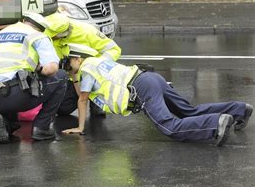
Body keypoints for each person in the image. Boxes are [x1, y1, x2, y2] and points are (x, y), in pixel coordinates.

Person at [62, 43, 253, 147]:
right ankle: (239, 109)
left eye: (68, 64)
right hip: (150, 78)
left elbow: (82, 98)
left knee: (170, 127)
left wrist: (79, 128)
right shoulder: (97, 61)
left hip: (141, 89)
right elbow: (82, 91)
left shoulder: (86, 70)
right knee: (189, 111)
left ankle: (216, 124)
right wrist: (73, 75)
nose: (68, 69)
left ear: (77, 58)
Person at [0, 13, 68, 144]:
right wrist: (38, 69)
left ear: (23, 21)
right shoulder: (38, 36)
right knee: (61, 76)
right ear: (41, 29)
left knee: (7, 86)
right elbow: (51, 69)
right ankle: (41, 128)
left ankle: (6, 122)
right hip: (19, 95)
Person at [44, 12, 121, 117]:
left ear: (64, 33)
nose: (52, 39)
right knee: (62, 109)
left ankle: (96, 99)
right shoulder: (51, 35)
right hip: (72, 75)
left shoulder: (87, 31)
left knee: (97, 113)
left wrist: (96, 66)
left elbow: (114, 50)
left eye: (54, 37)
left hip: (94, 75)